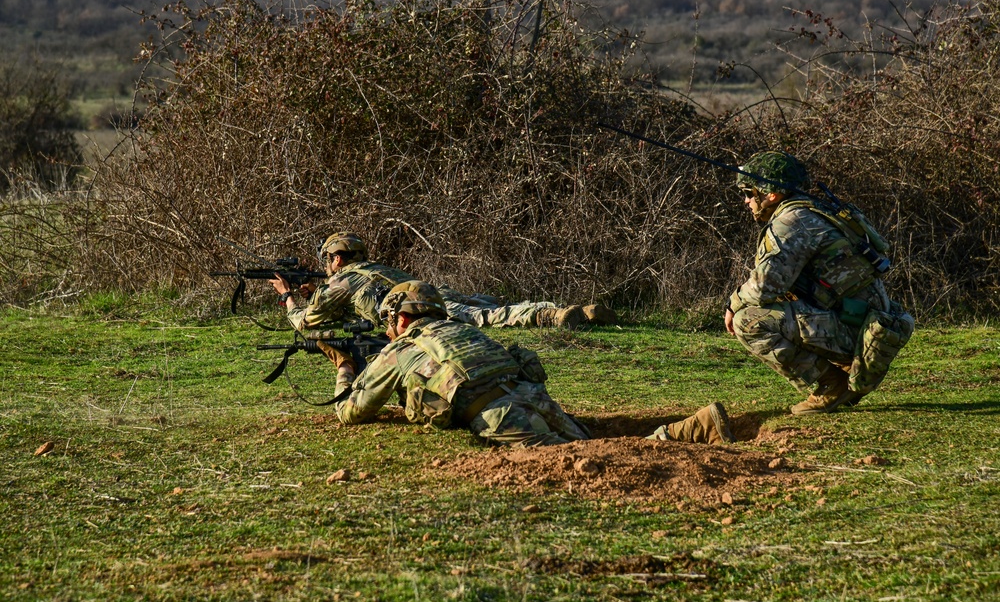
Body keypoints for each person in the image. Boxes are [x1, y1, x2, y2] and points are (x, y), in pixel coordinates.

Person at [326, 281, 732, 446]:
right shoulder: (466, 332)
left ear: (400, 318)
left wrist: (345, 367)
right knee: (593, 447)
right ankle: (691, 427)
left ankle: (689, 430)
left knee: (583, 462)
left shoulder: (398, 350)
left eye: (388, 322)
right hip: (533, 396)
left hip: (499, 415)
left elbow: (351, 412)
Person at [724, 151, 914, 415]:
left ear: (771, 195)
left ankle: (831, 386)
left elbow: (766, 286)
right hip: (861, 320)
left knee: (748, 321)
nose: (745, 200)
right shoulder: (814, 209)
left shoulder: (792, 222)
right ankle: (843, 374)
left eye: (748, 192)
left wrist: (732, 304)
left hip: (855, 331)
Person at [269, 231, 617, 333]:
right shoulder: (372, 267)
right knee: (486, 304)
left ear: (338, 258)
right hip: (431, 290)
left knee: (482, 319)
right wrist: (317, 293)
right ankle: (572, 310)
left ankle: (551, 317)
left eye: (328, 258)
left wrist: (288, 298)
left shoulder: (340, 283)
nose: (327, 265)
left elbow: (306, 322)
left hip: (418, 306)